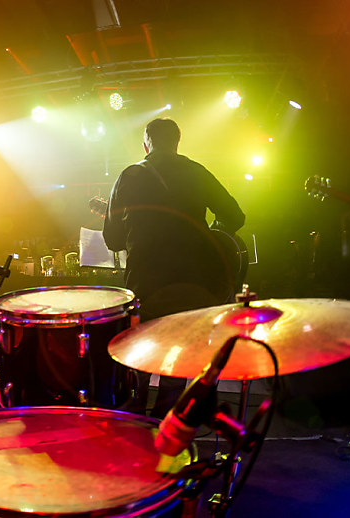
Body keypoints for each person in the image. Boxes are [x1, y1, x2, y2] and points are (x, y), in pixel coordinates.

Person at [102, 117, 245, 418]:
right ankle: (166, 422)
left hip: (146, 281)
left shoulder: (130, 175)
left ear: (146, 145)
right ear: (177, 143)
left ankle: (136, 416)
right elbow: (235, 216)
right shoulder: (197, 172)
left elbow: (112, 240)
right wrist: (209, 235)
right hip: (193, 281)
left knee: (139, 350)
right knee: (178, 353)